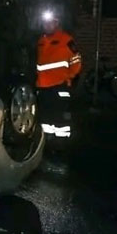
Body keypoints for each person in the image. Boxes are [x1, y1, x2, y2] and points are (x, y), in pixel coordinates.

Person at [34, 10, 82, 141]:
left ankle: (62, 141)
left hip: (60, 85)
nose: (47, 26)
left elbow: (76, 62)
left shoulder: (66, 40)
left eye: (50, 23)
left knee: (60, 115)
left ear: (56, 23)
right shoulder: (41, 41)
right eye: (45, 23)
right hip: (43, 86)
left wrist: (69, 77)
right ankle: (47, 138)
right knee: (46, 115)